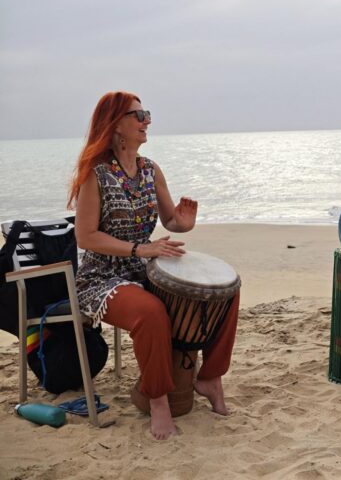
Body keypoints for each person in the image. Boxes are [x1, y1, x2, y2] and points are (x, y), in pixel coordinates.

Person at [69, 91, 239, 439]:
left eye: (147, 114)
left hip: (144, 270)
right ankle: (158, 401)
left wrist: (184, 222)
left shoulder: (150, 169)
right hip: (102, 278)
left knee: (224, 294)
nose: (147, 120)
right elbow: (85, 237)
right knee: (151, 313)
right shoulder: (95, 174)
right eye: (139, 115)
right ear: (116, 123)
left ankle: (210, 378)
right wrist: (139, 249)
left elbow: (170, 221)